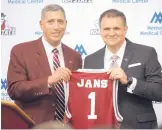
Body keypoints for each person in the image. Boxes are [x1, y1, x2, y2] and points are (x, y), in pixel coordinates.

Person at [84, 9, 162, 129]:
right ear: (100, 31)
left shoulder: (146, 53)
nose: (111, 33)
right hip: (102, 126)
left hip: (138, 126)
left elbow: (159, 92)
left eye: (116, 28)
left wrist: (130, 81)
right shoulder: (90, 60)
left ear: (125, 29)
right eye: (106, 29)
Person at [7, 4, 82, 125]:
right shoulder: (21, 51)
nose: (56, 27)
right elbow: (14, 90)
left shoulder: (75, 56)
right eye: (51, 22)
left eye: (60, 22)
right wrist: (49, 80)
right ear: (42, 25)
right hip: (33, 124)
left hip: (67, 126)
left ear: (66, 24)